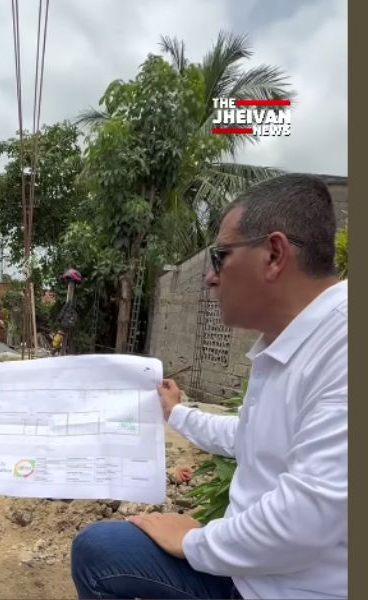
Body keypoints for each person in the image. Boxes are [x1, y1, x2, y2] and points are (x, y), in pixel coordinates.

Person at [70, 174, 348, 599]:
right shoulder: (286, 343)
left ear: (274, 254)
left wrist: (194, 542)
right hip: (250, 570)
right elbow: (251, 437)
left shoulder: (342, 346)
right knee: (100, 548)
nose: (210, 278)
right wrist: (176, 413)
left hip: (286, 588)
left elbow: (306, 519)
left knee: (104, 554)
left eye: (221, 257)